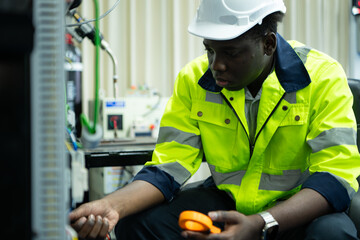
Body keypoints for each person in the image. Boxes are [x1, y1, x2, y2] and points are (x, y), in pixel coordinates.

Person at [70, 0, 360, 239]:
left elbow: (335, 178)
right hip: (228, 203)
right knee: (138, 223)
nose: (216, 64)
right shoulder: (194, 80)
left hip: (300, 209)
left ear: (268, 44)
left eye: (230, 53)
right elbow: (167, 169)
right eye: (209, 50)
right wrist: (111, 206)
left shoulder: (321, 78)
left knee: (332, 235)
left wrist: (261, 222)